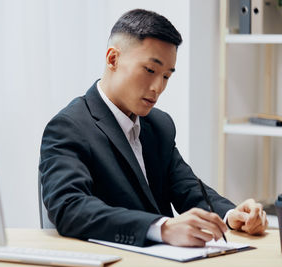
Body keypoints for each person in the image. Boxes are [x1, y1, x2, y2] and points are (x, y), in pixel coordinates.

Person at [39, 9, 268, 247]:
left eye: (167, 76)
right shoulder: (68, 126)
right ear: (113, 59)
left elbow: (187, 189)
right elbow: (70, 208)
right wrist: (162, 228)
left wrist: (232, 216)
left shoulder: (159, 125)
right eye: (150, 70)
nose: (158, 87)